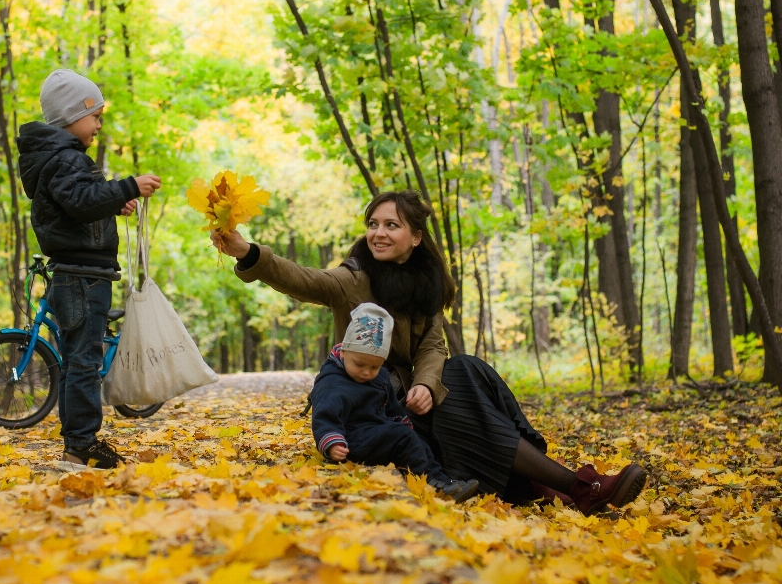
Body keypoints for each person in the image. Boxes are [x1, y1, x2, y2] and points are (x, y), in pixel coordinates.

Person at [212, 190, 647, 516]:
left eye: (391, 225)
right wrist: (249, 252)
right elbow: (303, 279)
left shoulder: (426, 285)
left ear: (416, 237)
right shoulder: (354, 278)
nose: (379, 233)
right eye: (374, 224)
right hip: (378, 405)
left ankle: (551, 485)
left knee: (469, 370)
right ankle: (575, 485)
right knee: (461, 383)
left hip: (415, 396)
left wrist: (424, 382)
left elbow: (433, 346)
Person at [18, 69, 161, 469]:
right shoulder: (64, 158)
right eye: (94, 115)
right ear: (72, 115)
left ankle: (77, 443)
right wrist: (128, 186)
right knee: (84, 359)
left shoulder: (62, 159)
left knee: (77, 358)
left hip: (82, 272)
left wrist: (112, 203)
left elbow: (77, 205)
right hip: (81, 275)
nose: (99, 124)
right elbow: (80, 200)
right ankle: (81, 445)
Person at [311, 303, 480, 503]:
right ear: (345, 352)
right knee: (402, 437)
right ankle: (427, 482)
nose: (367, 372)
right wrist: (332, 442)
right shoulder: (332, 382)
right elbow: (324, 416)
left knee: (417, 441)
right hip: (350, 439)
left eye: (375, 366)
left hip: (376, 432)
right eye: (359, 364)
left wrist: (403, 423)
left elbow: (391, 408)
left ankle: (443, 481)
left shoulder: (380, 378)